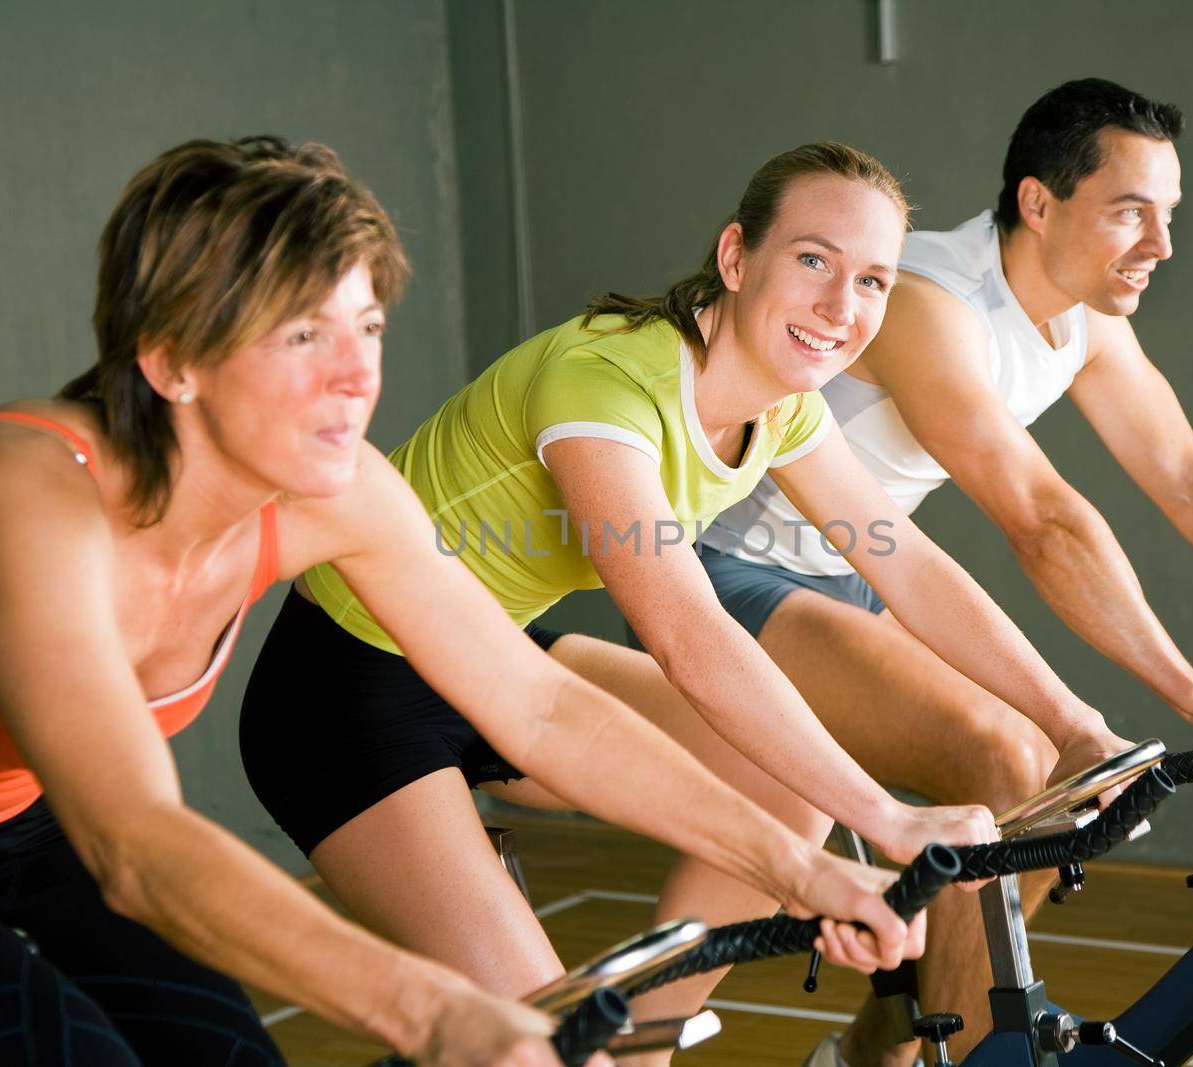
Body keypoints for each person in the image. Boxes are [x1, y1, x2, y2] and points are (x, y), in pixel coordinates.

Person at [0, 136, 910, 1067]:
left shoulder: (344, 492)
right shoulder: (31, 489)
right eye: (302, 335)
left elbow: (538, 707)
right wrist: (429, 1009)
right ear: (173, 359)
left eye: (364, 326)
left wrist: (798, 866)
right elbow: (135, 842)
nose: (356, 375)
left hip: (22, 816)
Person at [240, 141, 1133, 1062]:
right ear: (737, 257)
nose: (841, 306)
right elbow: (687, 633)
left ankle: (647, 1039)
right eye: (814, 260)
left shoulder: (780, 407)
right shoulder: (607, 386)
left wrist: (1073, 724)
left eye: (873, 280)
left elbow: (905, 561)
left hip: (493, 658)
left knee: (787, 780)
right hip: (344, 696)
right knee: (539, 1048)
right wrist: (889, 818)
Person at [696, 80, 1193, 1065]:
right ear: (1038, 202)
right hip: (727, 575)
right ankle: (966, 1049)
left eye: (1169, 212)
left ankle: (885, 1034)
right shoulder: (929, 302)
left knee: (1046, 793)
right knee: (1010, 758)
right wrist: (1189, 690)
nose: (1160, 243)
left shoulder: (1084, 320)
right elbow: (1039, 514)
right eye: (1129, 210)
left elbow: (1188, 476)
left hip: (845, 585)